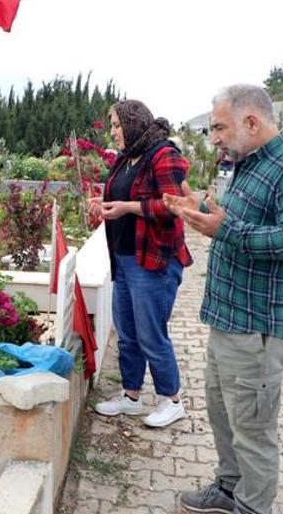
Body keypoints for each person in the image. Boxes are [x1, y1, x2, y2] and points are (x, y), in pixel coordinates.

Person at [164, 84, 283, 514]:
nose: (213, 136)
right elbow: (241, 220)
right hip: (229, 319)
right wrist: (200, 205)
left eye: (219, 126)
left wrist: (224, 229)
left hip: (259, 328)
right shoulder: (248, 165)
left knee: (253, 430)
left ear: (252, 122)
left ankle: (253, 507)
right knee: (224, 417)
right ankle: (229, 488)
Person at [89, 99, 193, 428]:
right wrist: (102, 203)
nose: (114, 132)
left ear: (135, 123)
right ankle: (131, 396)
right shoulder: (126, 159)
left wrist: (128, 208)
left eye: (118, 125)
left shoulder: (163, 155)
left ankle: (171, 399)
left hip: (153, 259)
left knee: (151, 334)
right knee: (128, 333)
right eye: (113, 126)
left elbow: (172, 205)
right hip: (124, 256)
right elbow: (121, 197)